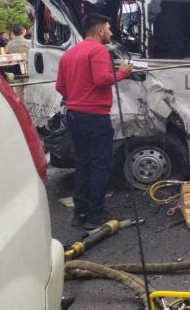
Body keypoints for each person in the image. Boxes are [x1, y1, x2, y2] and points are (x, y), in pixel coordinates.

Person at [56, 14, 134, 230]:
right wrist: (123, 73)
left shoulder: (69, 54)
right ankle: (95, 214)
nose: (110, 33)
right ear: (100, 30)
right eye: (108, 29)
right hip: (94, 117)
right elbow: (102, 79)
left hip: (74, 115)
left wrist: (77, 95)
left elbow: (60, 88)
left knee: (83, 163)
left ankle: (80, 212)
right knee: (100, 164)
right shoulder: (98, 50)